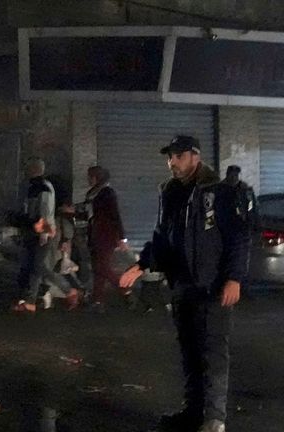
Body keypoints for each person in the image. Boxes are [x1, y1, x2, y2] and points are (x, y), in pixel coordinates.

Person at [120, 135, 248, 432]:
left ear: (194, 156)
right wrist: (141, 264)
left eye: (177, 156)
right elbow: (162, 237)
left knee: (213, 351)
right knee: (189, 350)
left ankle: (214, 418)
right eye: (169, 157)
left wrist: (233, 278)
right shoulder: (169, 192)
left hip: (212, 285)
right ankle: (192, 412)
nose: (171, 163)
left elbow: (238, 238)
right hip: (182, 285)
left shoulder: (219, 192)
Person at [12, 158, 80, 313]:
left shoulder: (42, 187)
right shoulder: (34, 186)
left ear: (34, 169)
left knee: (38, 266)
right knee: (34, 267)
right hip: (33, 231)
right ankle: (30, 301)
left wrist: (44, 233)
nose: (25, 171)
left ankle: (69, 290)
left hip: (42, 233)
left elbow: (46, 210)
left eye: (28, 168)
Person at [84, 166, 128, 311]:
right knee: (98, 268)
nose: (88, 179)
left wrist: (122, 237)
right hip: (95, 235)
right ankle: (98, 300)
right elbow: (89, 214)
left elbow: (115, 215)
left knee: (102, 267)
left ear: (97, 177)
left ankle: (124, 289)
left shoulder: (107, 193)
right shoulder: (92, 194)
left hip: (106, 236)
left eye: (90, 176)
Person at [222, 165, 258, 233]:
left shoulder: (245, 189)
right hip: (225, 226)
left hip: (243, 227)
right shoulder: (220, 189)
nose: (234, 177)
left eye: (236, 175)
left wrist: (252, 222)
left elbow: (251, 207)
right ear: (227, 175)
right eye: (231, 175)